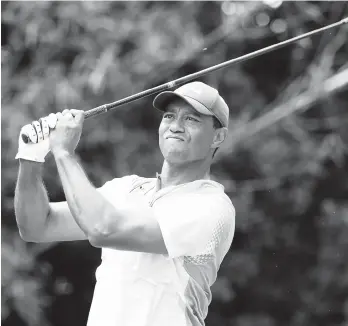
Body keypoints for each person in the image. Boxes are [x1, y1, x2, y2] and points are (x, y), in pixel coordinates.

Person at [14, 81, 236, 326]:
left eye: (192, 119)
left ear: (218, 136)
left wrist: (64, 153)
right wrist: (31, 158)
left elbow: (103, 229)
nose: (176, 126)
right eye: (170, 115)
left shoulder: (212, 207)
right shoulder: (125, 188)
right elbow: (37, 226)